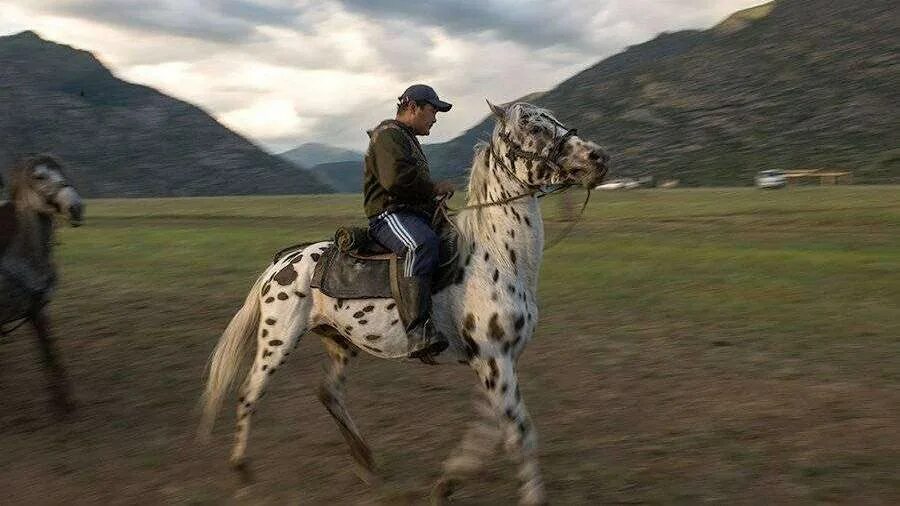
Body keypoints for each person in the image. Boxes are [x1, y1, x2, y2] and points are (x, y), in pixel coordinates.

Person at [363, 84, 455, 358]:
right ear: (413, 107)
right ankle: (418, 330)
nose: (436, 117)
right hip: (389, 214)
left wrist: (433, 203)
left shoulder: (405, 137)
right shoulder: (388, 135)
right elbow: (395, 181)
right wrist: (433, 188)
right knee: (421, 244)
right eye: (433, 110)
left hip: (412, 213)